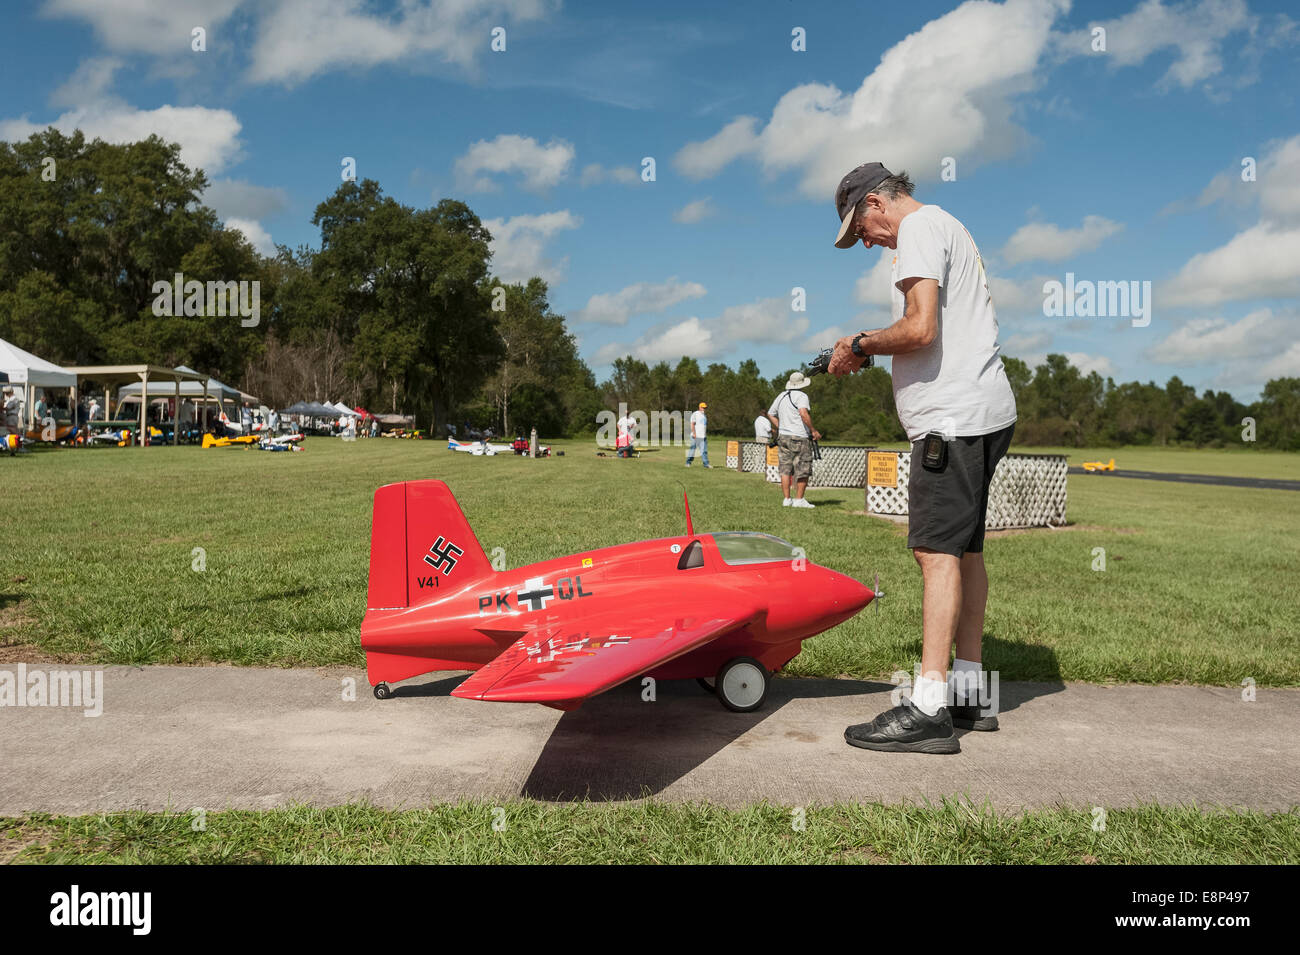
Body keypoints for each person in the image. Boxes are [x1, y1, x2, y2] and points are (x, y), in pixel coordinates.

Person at [827, 162, 1017, 755]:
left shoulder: (917, 231)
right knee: (965, 551)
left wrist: (857, 345)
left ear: (879, 202)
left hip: (950, 421)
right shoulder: (945, 226)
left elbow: (920, 329)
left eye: (861, 228)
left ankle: (929, 708)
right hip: (984, 411)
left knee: (934, 553)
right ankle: (967, 690)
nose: (865, 241)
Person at [766, 373, 819, 507]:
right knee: (803, 467)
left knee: (785, 468)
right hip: (799, 437)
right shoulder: (802, 396)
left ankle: (786, 499)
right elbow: (803, 413)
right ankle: (799, 499)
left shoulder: (781, 396)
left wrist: (781, 426)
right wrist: (813, 430)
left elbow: (770, 413)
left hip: (783, 437)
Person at [685, 402, 711, 468]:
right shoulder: (695, 414)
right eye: (703, 407)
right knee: (692, 450)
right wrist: (694, 433)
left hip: (703, 436)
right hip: (695, 436)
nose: (704, 409)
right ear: (699, 407)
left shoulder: (704, 415)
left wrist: (705, 434)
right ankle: (688, 463)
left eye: (705, 408)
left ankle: (706, 464)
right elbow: (692, 424)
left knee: (704, 451)